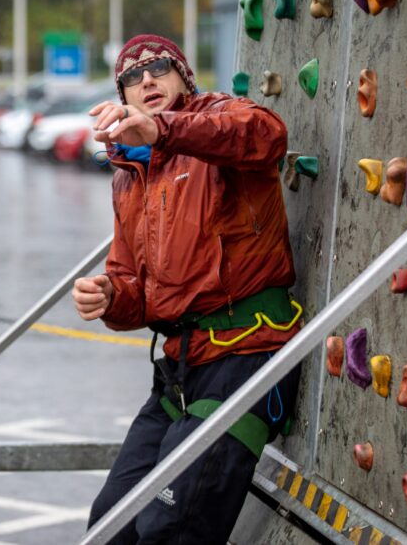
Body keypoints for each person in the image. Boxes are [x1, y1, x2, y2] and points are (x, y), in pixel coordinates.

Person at [72, 34, 303, 544]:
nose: (146, 79)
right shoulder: (130, 176)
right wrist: (111, 295)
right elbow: (136, 286)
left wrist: (163, 129)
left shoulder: (218, 117)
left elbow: (265, 135)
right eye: (132, 77)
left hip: (245, 354)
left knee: (173, 530)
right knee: (111, 524)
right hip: (179, 370)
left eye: (157, 67)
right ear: (123, 97)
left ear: (183, 77)